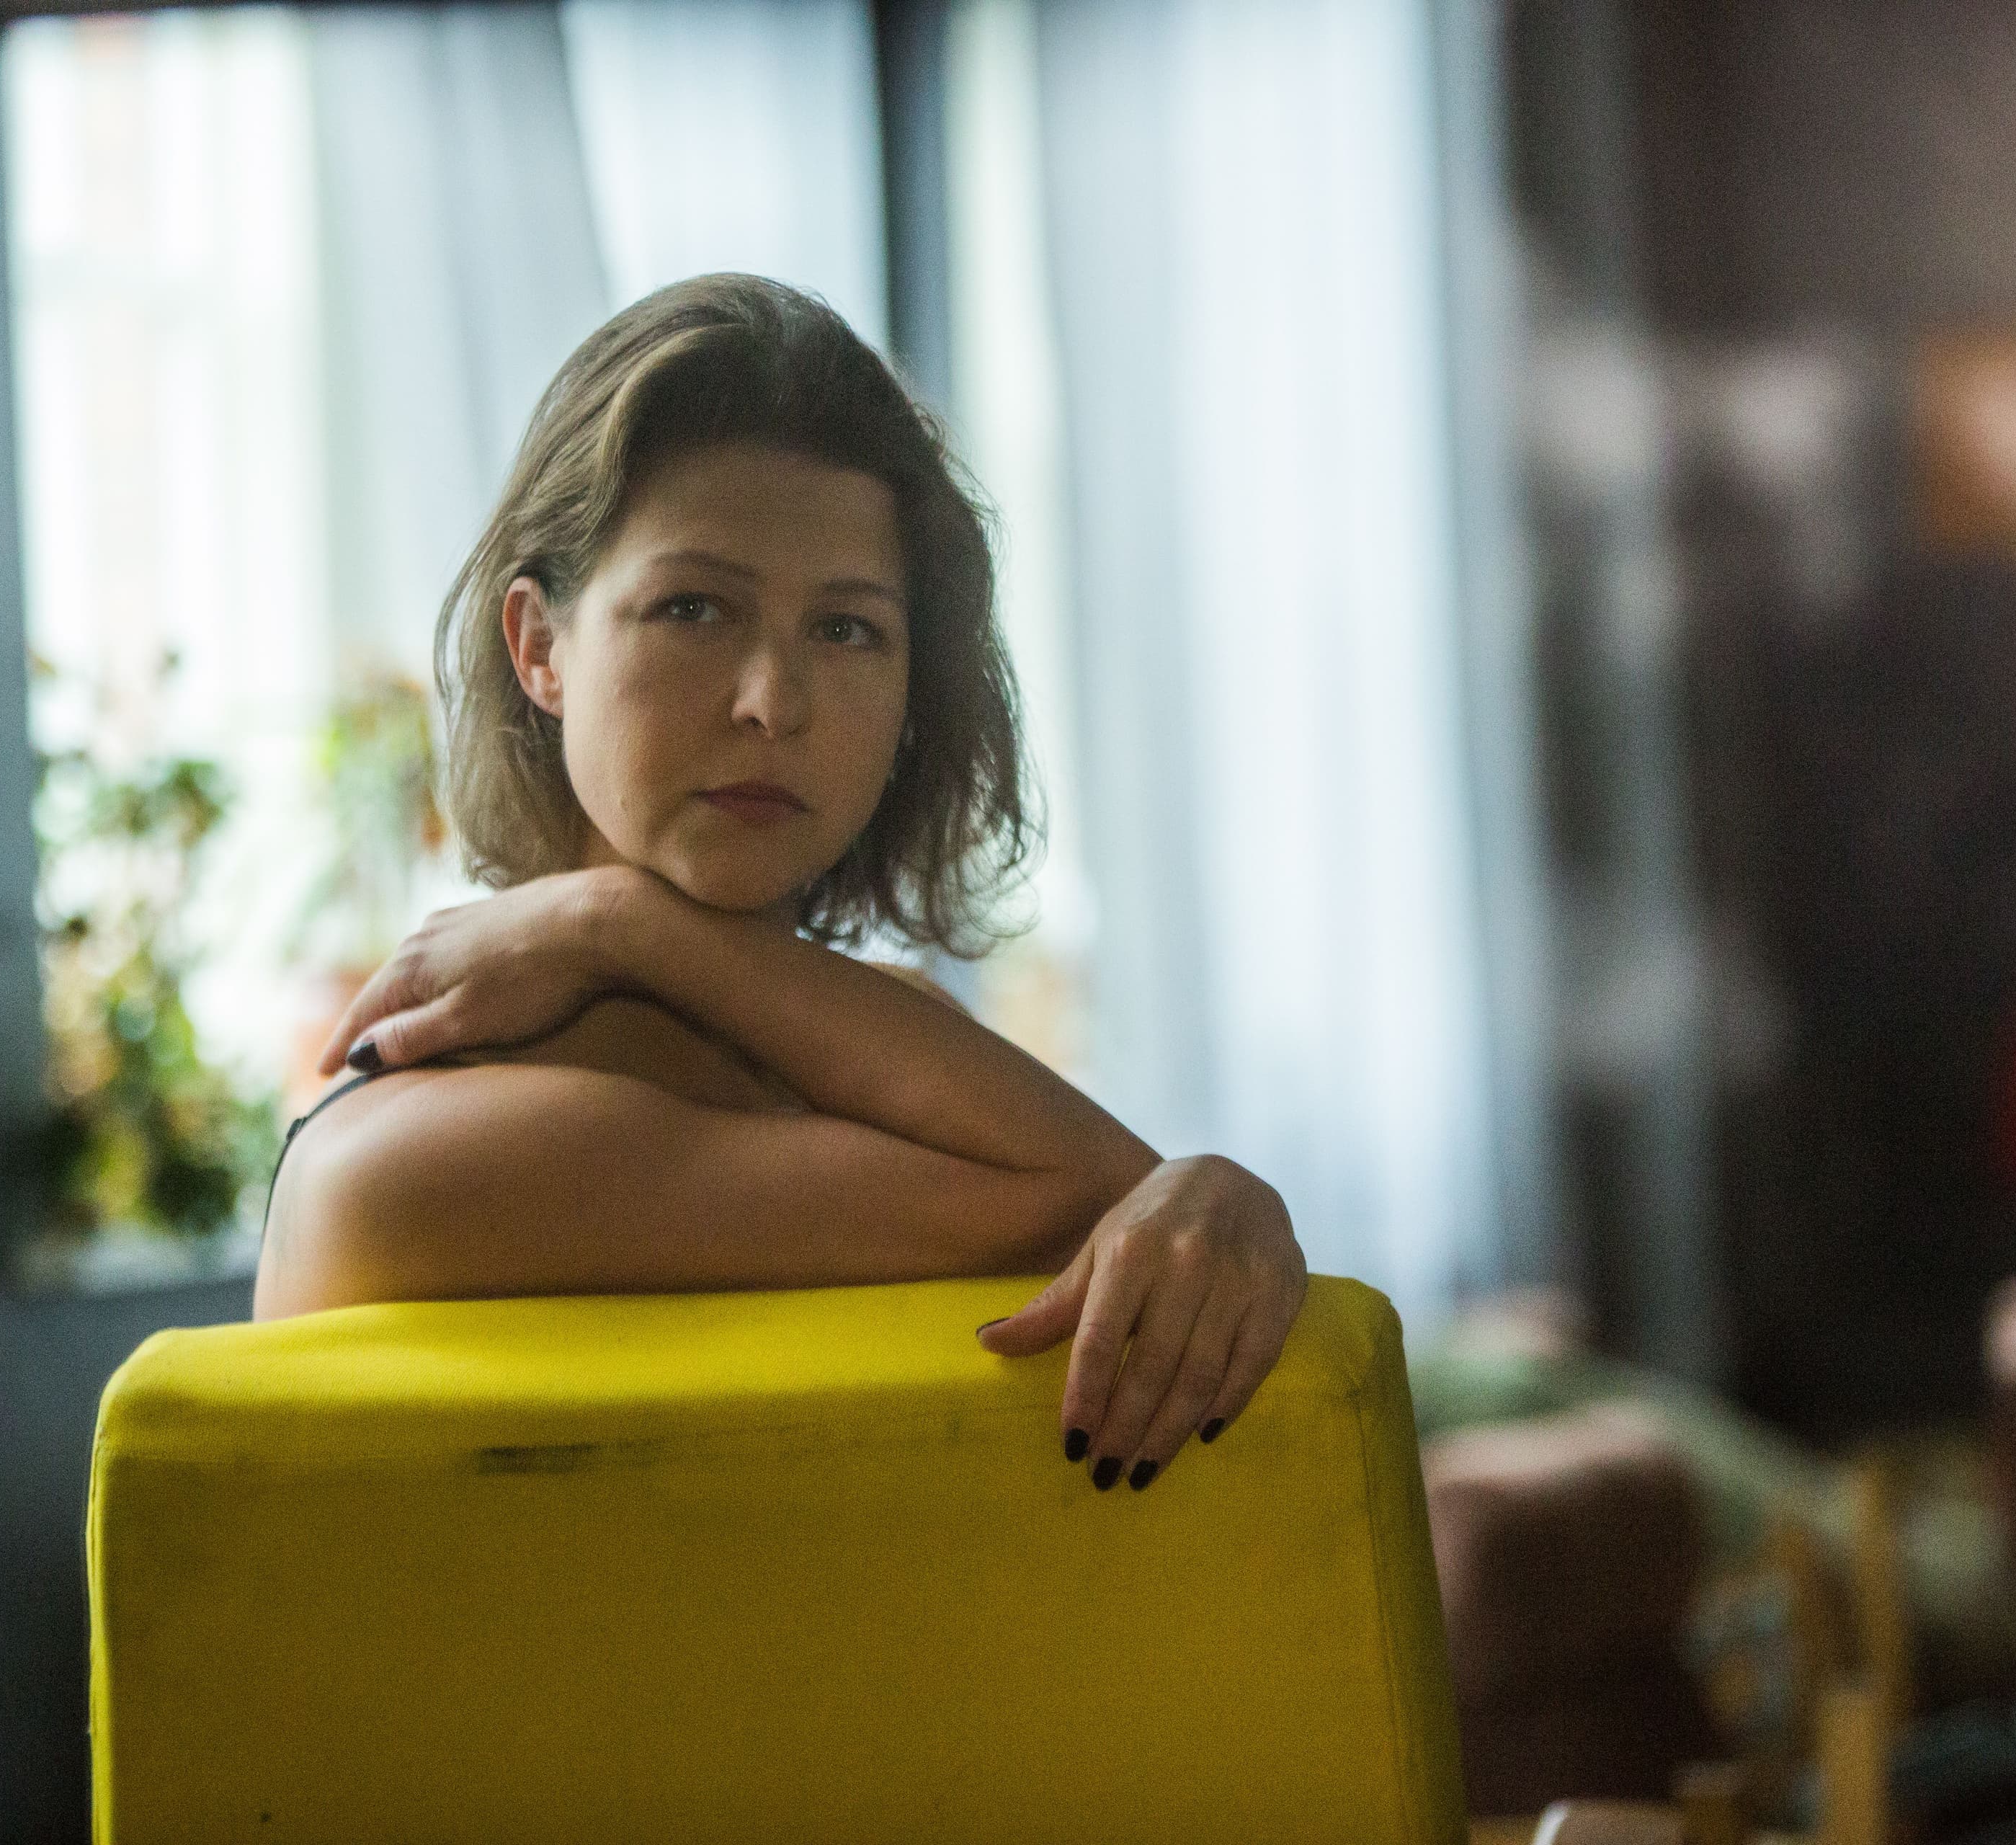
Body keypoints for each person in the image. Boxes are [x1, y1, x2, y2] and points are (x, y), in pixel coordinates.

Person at [254, 272, 1307, 1495]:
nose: (773, 702)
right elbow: (1083, 1187)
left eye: (848, 629)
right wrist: (621, 921)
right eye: (693, 608)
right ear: (540, 648)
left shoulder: (899, 1046)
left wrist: (1228, 1205)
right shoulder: (404, 1152)